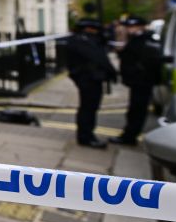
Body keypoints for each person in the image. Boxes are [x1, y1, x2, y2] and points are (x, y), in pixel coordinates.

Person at [110, 16, 163, 146]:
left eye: (132, 27)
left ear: (140, 26)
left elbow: (149, 61)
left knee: (137, 110)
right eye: (128, 27)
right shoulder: (137, 39)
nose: (129, 29)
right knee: (134, 110)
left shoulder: (145, 40)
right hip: (137, 81)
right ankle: (129, 135)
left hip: (142, 81)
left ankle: (129, 137)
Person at [64, 19, 117, 148]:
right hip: (88, 79)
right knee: (88, 108)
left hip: (90, 78)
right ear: (89, 29)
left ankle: (87, 135)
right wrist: (112, 71)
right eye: (95, 29)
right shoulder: (84, 41)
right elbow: (99, 58)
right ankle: (86, 137)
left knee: (90, 107)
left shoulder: (81, 39)